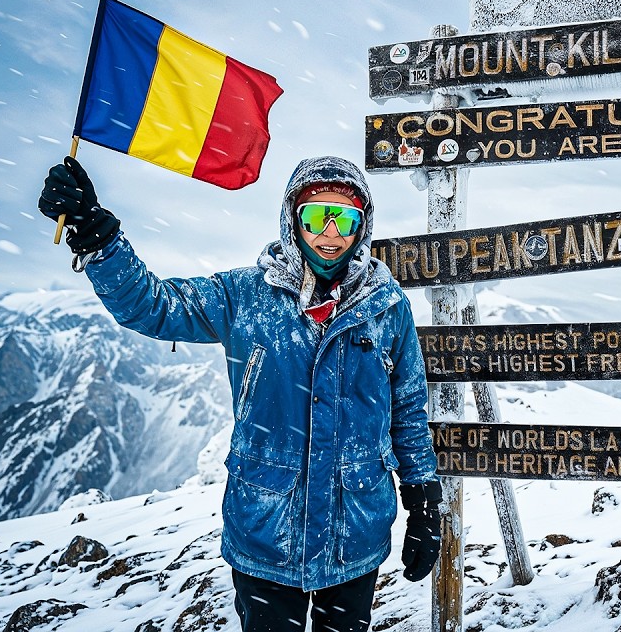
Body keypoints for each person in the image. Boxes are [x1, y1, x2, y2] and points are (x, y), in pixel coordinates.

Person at [38, 154, 443, 632]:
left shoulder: (386, 306)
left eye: (346, 218)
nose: (330, 234)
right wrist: (98, 238)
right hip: (266, 529)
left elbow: (408, 409)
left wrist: (423, 499)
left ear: (363, 225)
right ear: (293, 220)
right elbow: (152, 306)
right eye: (316, 216)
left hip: (352, 528)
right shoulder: (245, 296)